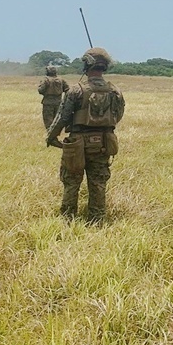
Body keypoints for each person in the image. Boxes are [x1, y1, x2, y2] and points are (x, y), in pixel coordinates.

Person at [46, 48, 125, 224]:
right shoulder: (115, 91)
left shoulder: (76, 91)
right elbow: (118, 116)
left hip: (77, 144)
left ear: (87, 64)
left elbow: (62, 117)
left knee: (71, 180)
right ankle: (97, 220)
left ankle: (68, 219)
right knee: (98, 182)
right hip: (104, 142)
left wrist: (50, 136)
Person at [37, 65, 69, 129]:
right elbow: (67, 90)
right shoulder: (61, 80)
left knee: (48, 120)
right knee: (57, 119)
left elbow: (41, 90)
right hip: (59, 102)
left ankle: (50, 135)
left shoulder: (46, 80)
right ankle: (55, 133)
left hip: (48, 102)